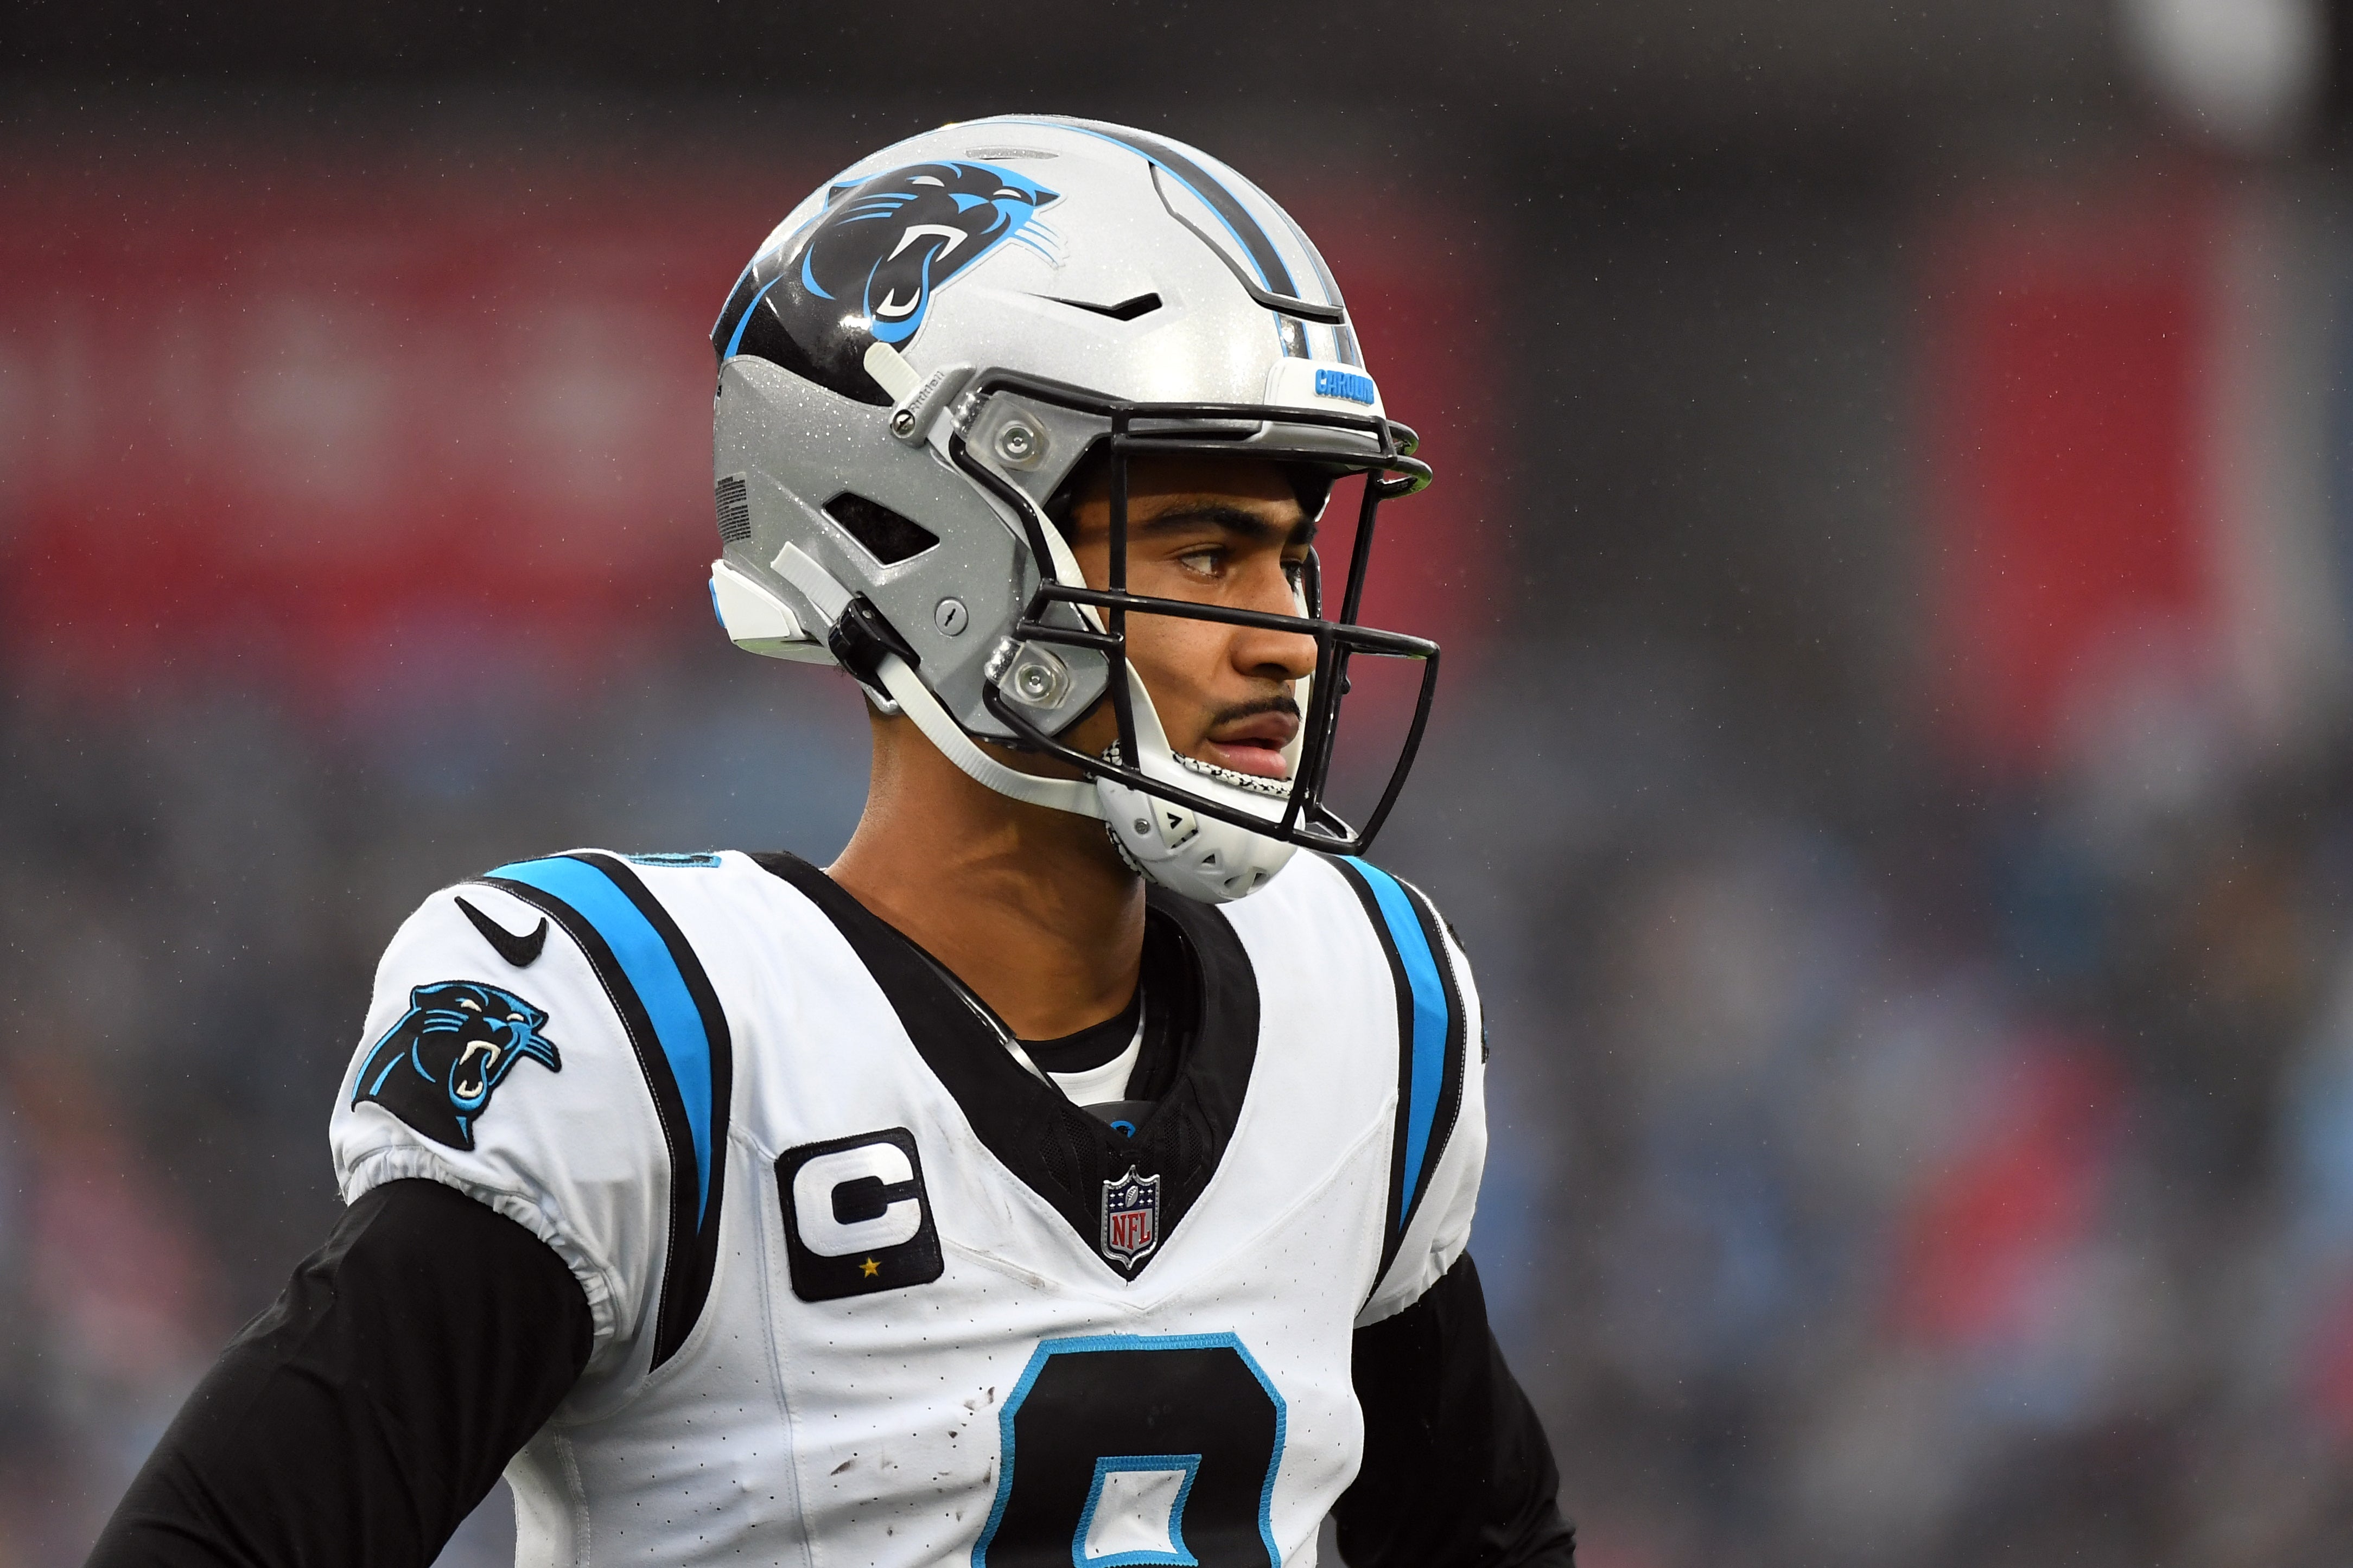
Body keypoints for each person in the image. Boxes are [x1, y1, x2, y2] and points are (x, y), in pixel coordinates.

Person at [88, 114, 1575, 1567]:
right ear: (929, 542)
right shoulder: (662, 1050)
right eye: (1206, 552)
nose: (1288, 641)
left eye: (1293, 554)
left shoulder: (1366, 1003)